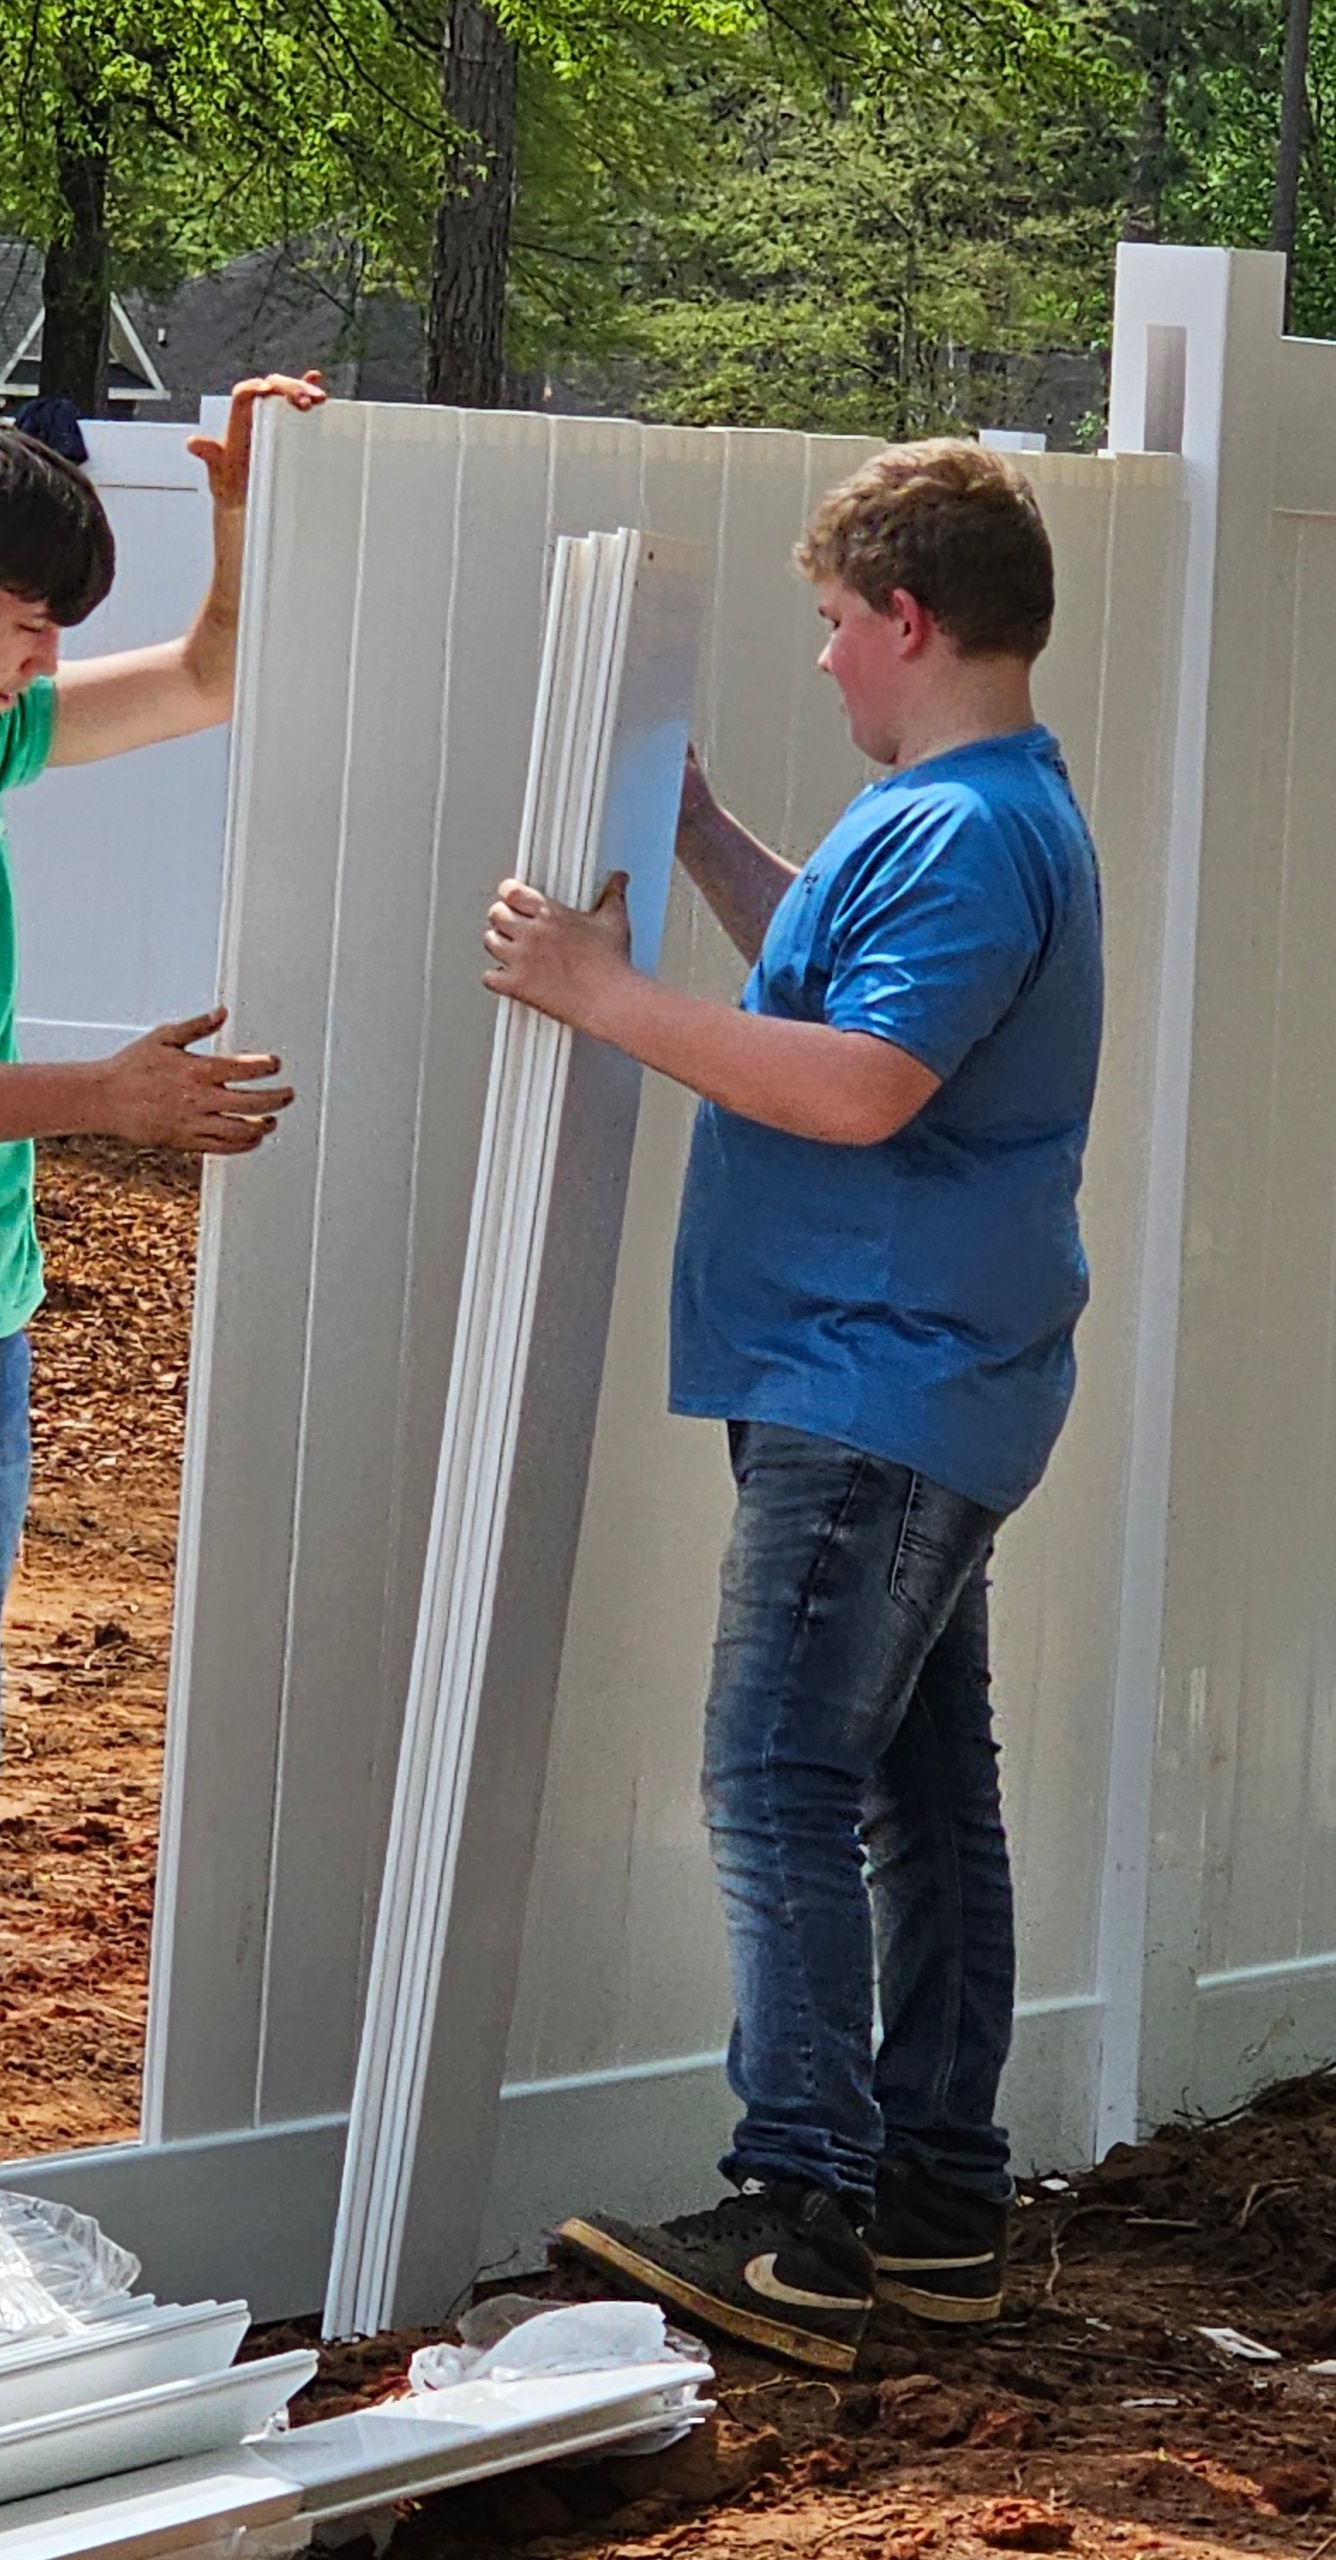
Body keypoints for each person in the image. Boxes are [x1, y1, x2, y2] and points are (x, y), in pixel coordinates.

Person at [480, 441, 1101, 2374]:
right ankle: (934, 2214)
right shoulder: (956, 815)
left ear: (906, 617)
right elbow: (837, 994)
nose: (825, 658)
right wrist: (701, 835)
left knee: (779, 1775)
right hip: (913, 1376)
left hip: (876, 1378)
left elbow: (858, 1088)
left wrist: (599, 997)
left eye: (835, 625)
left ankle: (804, 2209)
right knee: (921, 1795)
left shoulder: (969, 830)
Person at [0, 372, 324, 2170]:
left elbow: (213, 678)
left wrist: (236, 505)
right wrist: (107, 1097)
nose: (48, 663)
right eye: (27, 626)